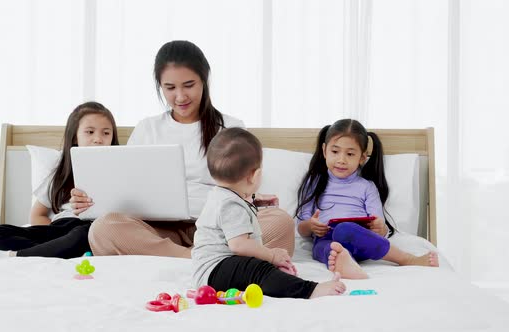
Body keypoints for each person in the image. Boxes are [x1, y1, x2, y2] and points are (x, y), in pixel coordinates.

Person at [72, 40, 295, 258]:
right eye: (170, 88)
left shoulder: (231, 128)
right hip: (159, 230)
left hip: (221, 229)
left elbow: (245, 186)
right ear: (160, 86)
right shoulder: (147, 128)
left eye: (189, 85)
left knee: (281, 222)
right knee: (103, 229)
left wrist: (250, 195)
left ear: (204, 80)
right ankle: (197, 257)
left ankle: (193, 255)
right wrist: (92, 200)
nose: (180, 97)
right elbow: (124, 189)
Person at [192, 127, 346, 299]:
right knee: (259, 269)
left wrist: (255, 199)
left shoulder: (221, 195)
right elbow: (239, 245)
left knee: (262, 271)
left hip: (218, 270)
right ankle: (309, 290)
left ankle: (279, 281)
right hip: (216, 269)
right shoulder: (230, 204)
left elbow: (238, 207)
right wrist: (271, 255)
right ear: (255, 175)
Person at [0, 102, 118, 258]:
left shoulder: (117, 172)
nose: (98, 139)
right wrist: (57, 238)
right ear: (75, 137)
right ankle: (59, 249)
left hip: (92, 229)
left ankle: (17, 256)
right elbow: (37, 215)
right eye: (90, 132)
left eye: (106, 133)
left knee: (83, 234)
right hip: (59, 228)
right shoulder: (60, 174)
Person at [295, 119, 439, 279]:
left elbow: (379, 226)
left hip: (357, 238)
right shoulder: (314, 182)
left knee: (344, 229)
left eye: (350, 154)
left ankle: (407, 258)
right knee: (330, 249)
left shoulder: (367, 187)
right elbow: (301, 228)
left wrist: (380, 228)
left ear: (362, 158)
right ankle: (344, 262)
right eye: (335, 152)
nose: (341, 159)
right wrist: (310, 226)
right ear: (324, 151)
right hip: (324, 239)